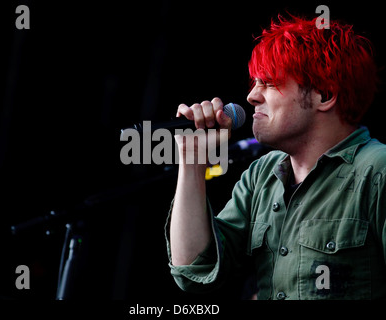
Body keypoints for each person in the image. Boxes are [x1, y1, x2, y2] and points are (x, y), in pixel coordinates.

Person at [165, 14, 386, 299]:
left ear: (325, 93)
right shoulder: (261, 175)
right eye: (255, 82)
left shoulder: (377, 170)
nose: (251, 96)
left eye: (269, 83)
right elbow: (194, 270)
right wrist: (192, 162)